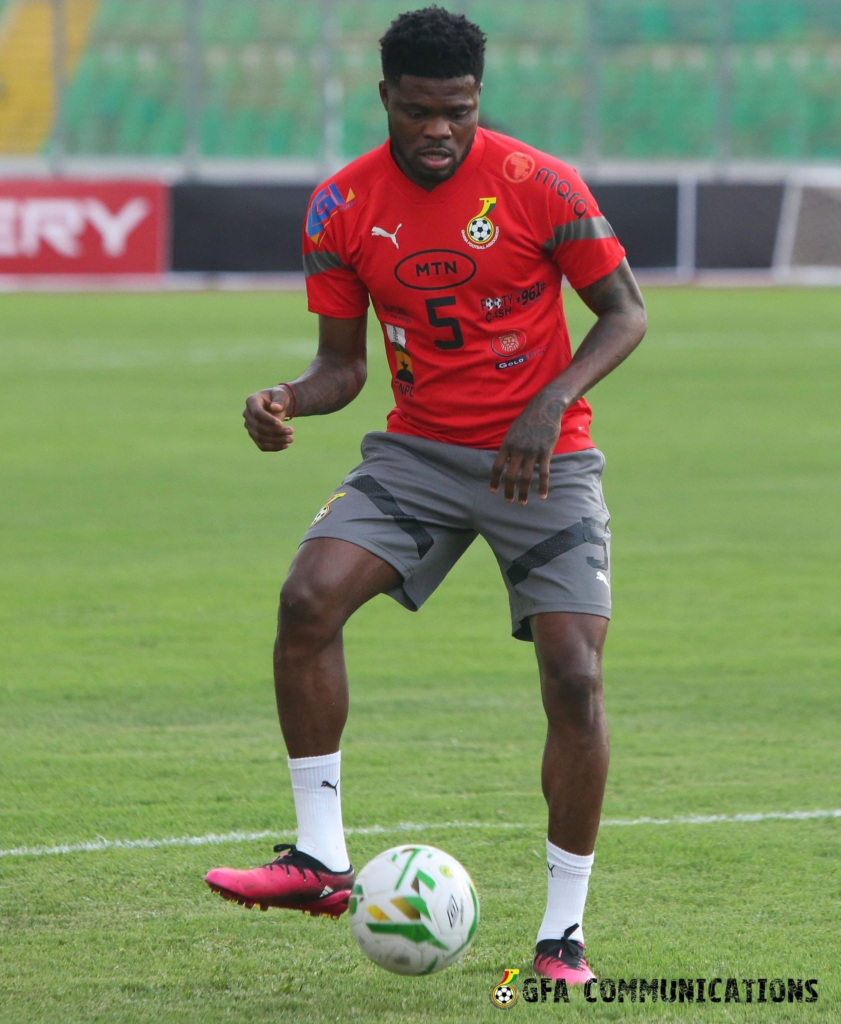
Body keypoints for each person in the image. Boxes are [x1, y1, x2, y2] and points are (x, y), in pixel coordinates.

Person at [206, 5, 647, 984]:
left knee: (574, 676)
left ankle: (560, 938)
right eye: (419, 112)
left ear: (477, 101)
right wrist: (288, 399)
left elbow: (625, 312)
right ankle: (321, 859)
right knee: (305, 599)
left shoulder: (540, 185)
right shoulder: (339, 206)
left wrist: (550, 401)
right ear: (386, 101)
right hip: (420, 454)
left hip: (546, 460)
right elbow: (340, 368)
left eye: (458, 110)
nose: (440, 130)